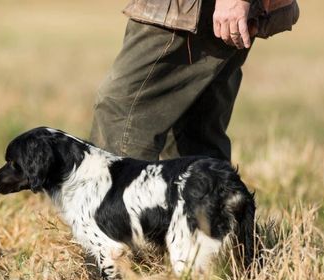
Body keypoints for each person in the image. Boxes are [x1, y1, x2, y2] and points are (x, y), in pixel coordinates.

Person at [90, 0, 297, 161]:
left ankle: (115, 215)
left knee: (121, 115)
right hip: (192, 10)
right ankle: (208, 215)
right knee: (194, 134)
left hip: (194, 10)